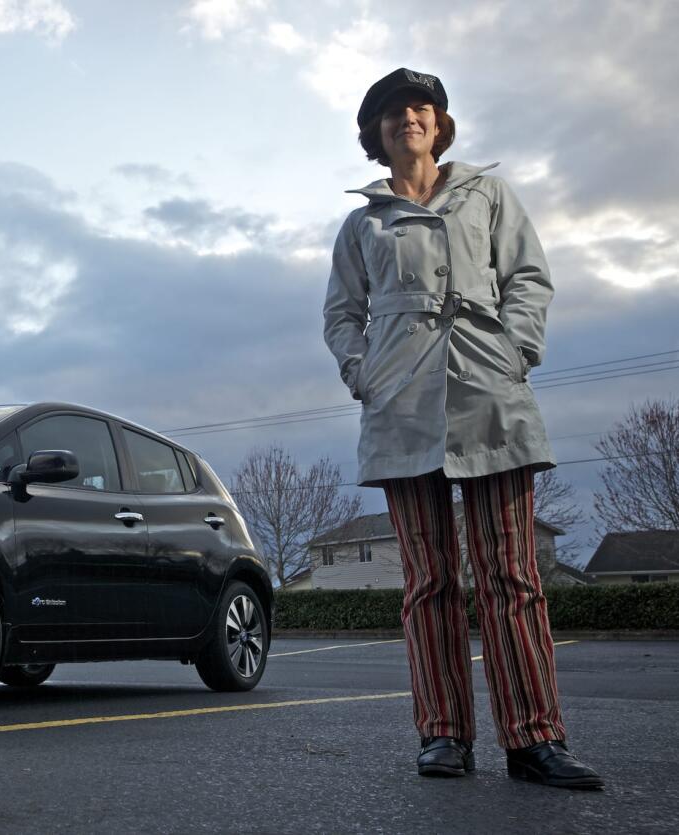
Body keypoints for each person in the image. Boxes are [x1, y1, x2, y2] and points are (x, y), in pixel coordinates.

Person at [322, 67, 603, 789]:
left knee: (513, 574)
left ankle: (534, 738)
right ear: (376, 134)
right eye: (392, 111)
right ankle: (443, 733)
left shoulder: (489, 194)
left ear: (440, 124)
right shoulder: (363, 224)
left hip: (490, 394)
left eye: (420, 107)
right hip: (401, 407)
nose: (407, 117)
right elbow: (341, 315)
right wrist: (366, 374)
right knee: (429, 582)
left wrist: (516, 350)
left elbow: (529, 278)